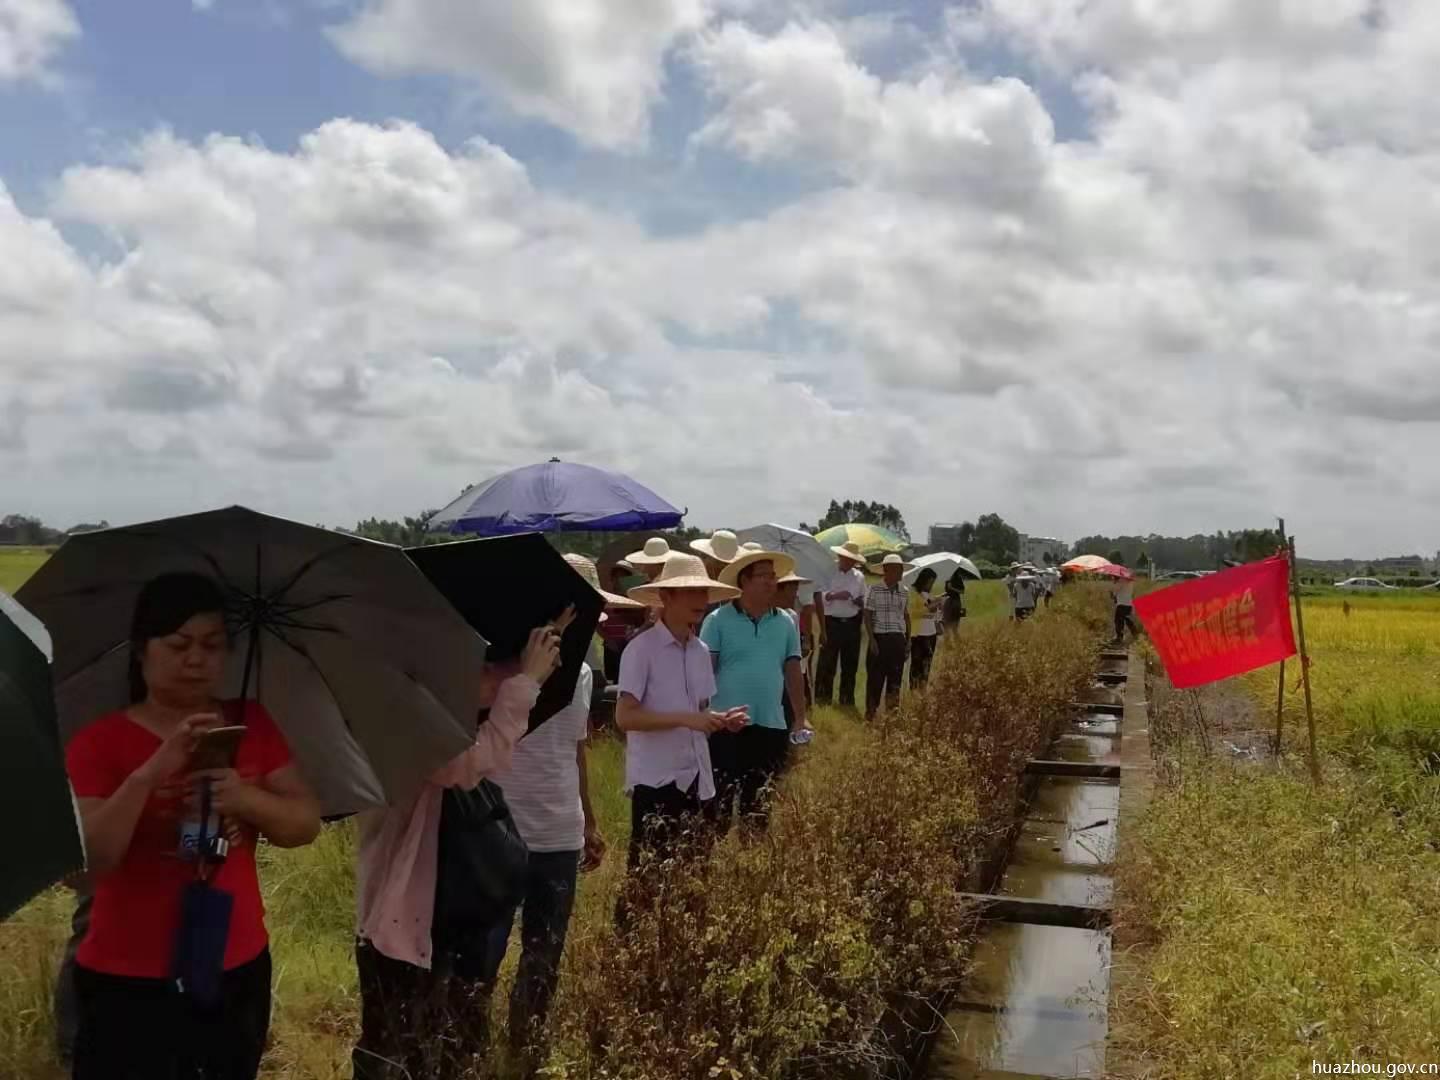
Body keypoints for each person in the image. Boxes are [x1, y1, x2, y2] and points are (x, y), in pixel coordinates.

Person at [63, 573, 322, 1080]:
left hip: (233, 961)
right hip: (126, 975)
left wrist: (243, 798)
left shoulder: (249, 724)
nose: (197, 659)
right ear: (142, 649)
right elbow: (84, 870)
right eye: (179, 644)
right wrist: (149, 774)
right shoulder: (99, 742)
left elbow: (304, 824)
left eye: (212, 645)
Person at [352, 619, 565, 1080]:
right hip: (401, 919)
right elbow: (460, 768)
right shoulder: (405, 708)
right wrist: (524, 682)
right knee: (392, 1049)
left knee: (444, 1039)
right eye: (483, 665)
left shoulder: (444, 707)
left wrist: (525, 666)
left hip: (444, 914)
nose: (492, 676)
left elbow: (483, 722)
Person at [477, 557, 617, 1055]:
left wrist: (590, 822)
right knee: (484, 957)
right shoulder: (499, 674)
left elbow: (575, 750)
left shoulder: (583, 677)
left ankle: (525, 1050)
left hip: (560, 833)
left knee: (544, 957)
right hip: (501, 833)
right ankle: (470, 1049)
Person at [617, 554, 749, 874]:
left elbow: (699, 712)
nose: (700, 601)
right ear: (665, 596)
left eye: (703, 592)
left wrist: (720, 720)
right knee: (650, 877)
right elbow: (625, 717)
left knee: (694, 874)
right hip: (657, 780)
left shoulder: (700, 651)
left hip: (698, 777)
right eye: (690, 592)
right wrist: (686, 719)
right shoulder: (641, 649)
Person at [702, 550, 808, 832]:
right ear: (744, 582)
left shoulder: (785, 622)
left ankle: (752, 862)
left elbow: (793, 671)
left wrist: (800, 716)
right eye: (764, 576)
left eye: (774, 576)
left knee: (760, 801)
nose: (772, 582)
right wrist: (701, 716)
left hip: (771, 723)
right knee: (720, 800)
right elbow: (703, 672)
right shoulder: (717, 621)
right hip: (726, 723)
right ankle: (716, 859)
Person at [814, 541, 868, 708]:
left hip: (852, 622)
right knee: (827, 663)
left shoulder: (859, 577)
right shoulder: (827, 572)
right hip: (832, 621)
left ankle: (847, 699)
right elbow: (818, 597)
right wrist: (835, 595)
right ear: (840, 556)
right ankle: (823, 699)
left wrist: (860, 601)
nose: (849, 562)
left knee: (850, 664)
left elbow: (864, 598)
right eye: (846, 558)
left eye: (852, 560)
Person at [864, 554, 911, 721]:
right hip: (880, 638)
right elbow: (867, 615)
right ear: (887, 570)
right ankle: (871, 714)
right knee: (875, 679)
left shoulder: (904, 592)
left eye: (901, 570)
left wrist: (908, 640)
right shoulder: (874, 589)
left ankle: (892, 715)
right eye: (897, 569)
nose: (900, 573)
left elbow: (905, 616)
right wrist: (871, 639)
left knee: (895, 679)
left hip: (897, 638)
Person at [906, 567, 941, 690]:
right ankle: (914, 690)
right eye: (929, 582)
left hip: (931, 634)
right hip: (918, 635)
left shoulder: (930, 595)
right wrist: (929, 608)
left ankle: (923, 689)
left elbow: (934, 615)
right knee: (916, 665)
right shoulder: (914, 593)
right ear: (923, 580)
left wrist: (937, 608)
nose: (931, 585)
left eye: (933, 582)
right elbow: (912, 613)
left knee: (927, 664)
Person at [1113, 571, 1138, 642]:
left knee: (1118, 621)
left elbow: (1115, 592)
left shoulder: (1120, 581)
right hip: (1129, 604)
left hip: (1121, 604)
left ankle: (1119, 637)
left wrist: (1115, 583)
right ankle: (1135, 634)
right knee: (1128, 620)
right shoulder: (1130, 582)